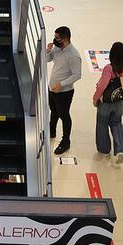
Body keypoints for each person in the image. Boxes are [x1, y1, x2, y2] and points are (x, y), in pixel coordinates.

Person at [92, 42, 123, 164]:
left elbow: (102, 86)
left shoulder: (109, 68)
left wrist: (95, 98)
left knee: (102, 124)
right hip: (120, 101)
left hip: (106, 103)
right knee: (116, 123)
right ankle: (120, 149)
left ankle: (104, 150)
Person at [46, 25, 82, 155]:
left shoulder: (73, 55)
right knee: (53, 111)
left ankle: (66, 141)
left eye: (57, 38)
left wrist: (61, 84)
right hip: (52, 88)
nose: (54, 40)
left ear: (65, 39)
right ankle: (51, 131)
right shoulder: (57, 48)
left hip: (64, 92)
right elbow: (47, 60)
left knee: (64, 115)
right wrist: (47, 51)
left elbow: (77, 74)